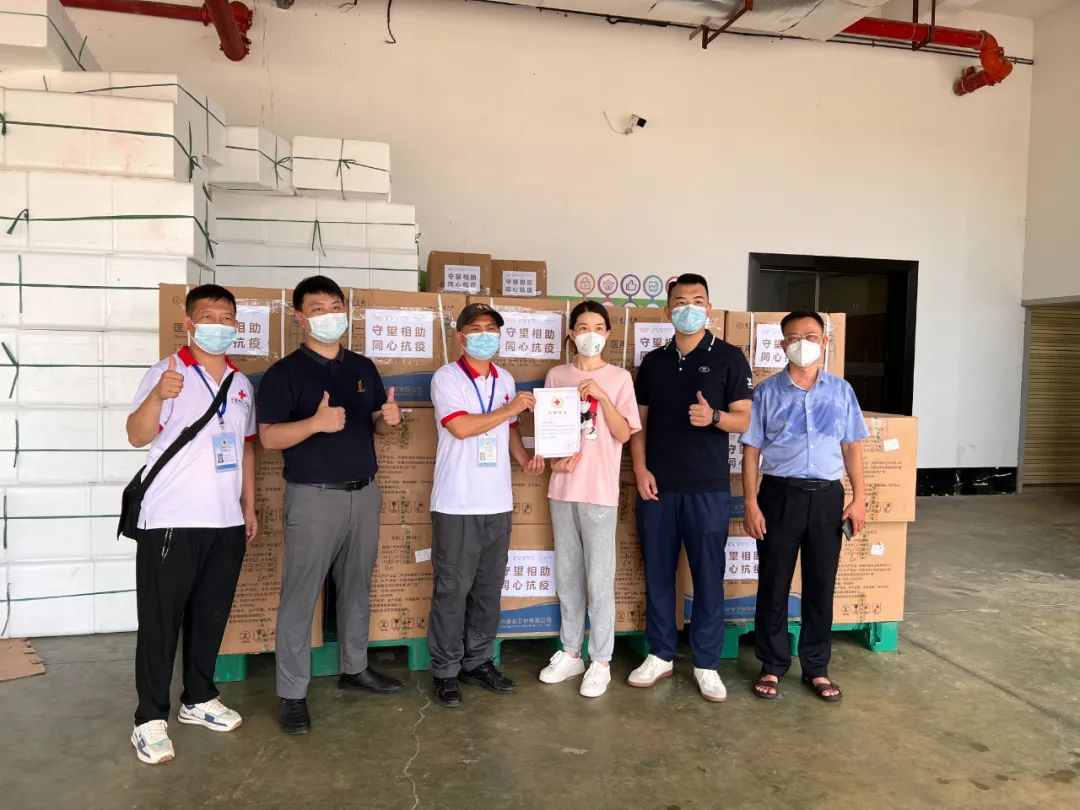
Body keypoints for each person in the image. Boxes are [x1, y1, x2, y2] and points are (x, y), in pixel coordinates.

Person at [257, 275, 403, 736]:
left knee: (357, 585)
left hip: (365, 493)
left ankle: (354, 667)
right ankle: (292, 693)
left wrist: (390, 419)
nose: (328, 315)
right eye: (317, 308)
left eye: (335, 306)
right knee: (301, 595)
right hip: (313, 497)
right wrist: (315, 424)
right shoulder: (284, 374)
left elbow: (378, 425)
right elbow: (268, 438)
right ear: (300, 318)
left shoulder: (362, 366)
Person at [125, 284, 258, 765]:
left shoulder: (241, 384)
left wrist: (248, 507)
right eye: (208, 316)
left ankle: (198, 698)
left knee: (210, 615)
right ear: (189, 323)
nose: (218, 325)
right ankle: (149, 718)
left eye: (227, 317)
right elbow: (136, 435)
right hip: (171, 520)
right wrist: (157, 397)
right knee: (161, 622)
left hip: (225, 522)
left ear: (236, 325)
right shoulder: (166, 371)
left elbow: (245, 447)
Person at [629, 273, 753, 702]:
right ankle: (661, 653)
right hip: (657, 488)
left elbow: (745, 420)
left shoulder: (730, 357)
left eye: (697, 300)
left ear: (709, 308)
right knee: (659, 573)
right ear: (668, 311)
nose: (689, 308)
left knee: (707, 576)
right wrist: (640, 470)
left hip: (708, 488)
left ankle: (706, 663)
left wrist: (714, 417)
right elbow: (638, 424)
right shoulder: (654, 362)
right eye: (680, 302)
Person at [741, 310, 867, 703]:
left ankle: (816, 666)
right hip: (780, 495)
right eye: (794, 337)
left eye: (811, 336)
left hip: (828, 497)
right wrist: (750, 502)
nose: (802, 344)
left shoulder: (841, 392)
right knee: (774, 582)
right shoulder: (767, 393)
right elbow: (751, 451)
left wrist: (860, 497)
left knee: (821, 583)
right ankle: (772, 664)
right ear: (782, 345)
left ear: (824, 342)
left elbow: (851, 446)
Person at [428, 302, 545, 708]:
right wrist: (511, 408)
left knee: (488, 588)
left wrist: (523, 458)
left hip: (497, 501)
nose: (485, 335)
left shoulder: (505, 379)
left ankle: (477, 661)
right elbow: (460, 427)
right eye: (476, 328)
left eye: (492, 328)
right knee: (452, 589)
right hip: (457, 502)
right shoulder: (447, 377)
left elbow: (508, 429)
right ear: (460, 337)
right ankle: (445, 670)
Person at [537, 301, 640, 698]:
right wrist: (553, 461)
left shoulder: (619, 378)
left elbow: (624, 433)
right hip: (562, 489)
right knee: (567, 576)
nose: (590, 334)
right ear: (571, 334)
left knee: (599, 579)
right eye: (582, 327)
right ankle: (570, 652)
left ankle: (601, 660)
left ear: (608, 334)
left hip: (599, 492)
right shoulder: (557, 375)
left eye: (598, 327)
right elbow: (549, 431)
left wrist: (603, 397)